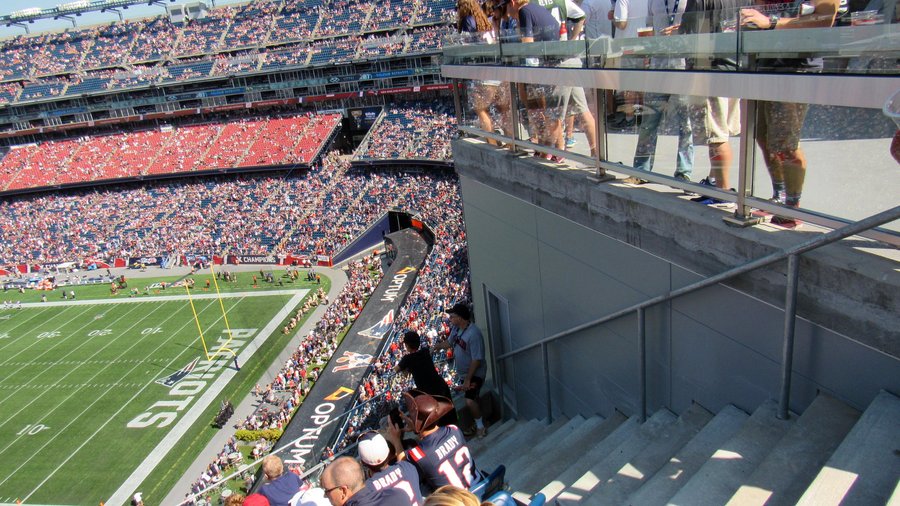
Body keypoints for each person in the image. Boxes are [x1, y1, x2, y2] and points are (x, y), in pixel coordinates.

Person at [740, 0, 839, 228]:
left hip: (796, 67)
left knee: (786, 143)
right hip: (764, 64)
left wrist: (771, 22)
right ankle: (779, 197)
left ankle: (792, 208)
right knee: (764, 138)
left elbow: (825, 19)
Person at [679, 0, 749, 204]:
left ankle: (722, 191)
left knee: (716, 136)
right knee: (721, 133)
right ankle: (714, 183)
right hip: (734, 66)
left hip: (708, 69)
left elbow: (689, 32)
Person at [628, 0, 694, 184]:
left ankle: (684, 172)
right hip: (658, 65)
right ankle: (641, 170)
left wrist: (682, 28)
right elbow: (648, 26)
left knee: (685, 123)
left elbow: (701, 26)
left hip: (683, 65)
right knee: (648, 120)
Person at [389, 391, 481, 493]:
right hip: (481, 487)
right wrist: (417, 427)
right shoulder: (454, 429)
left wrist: (396, 439)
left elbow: (404, 472)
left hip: (459, 501)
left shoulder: (418, 454)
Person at [457, 0, 511, 145]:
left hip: (483, 71)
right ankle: (512, 144)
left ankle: (492, 143)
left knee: (481, 110)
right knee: (504, 110)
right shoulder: (488, 21)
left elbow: (466, 48)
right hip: (500, 70)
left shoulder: (468, 20)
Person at [433, 303, 487, 438]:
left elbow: (477, 360)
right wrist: (437, 347)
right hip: (464, 373)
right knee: (473, 397)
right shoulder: (456, 329)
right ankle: (479, 419)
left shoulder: (474, 334)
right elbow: (449, 343)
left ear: (461, 318)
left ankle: (481, 427)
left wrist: (468, 379)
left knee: (469, 401)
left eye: (453, 316)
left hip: (475, 373)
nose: (450, 318)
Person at [394, 330, 459, 427]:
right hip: (440, 385)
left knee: (439, 419)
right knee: (450, 414)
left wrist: (404, 369)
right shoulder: (425, 351)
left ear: (407, 345)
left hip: (429, 392)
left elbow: (395, 370)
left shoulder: (407, 359)